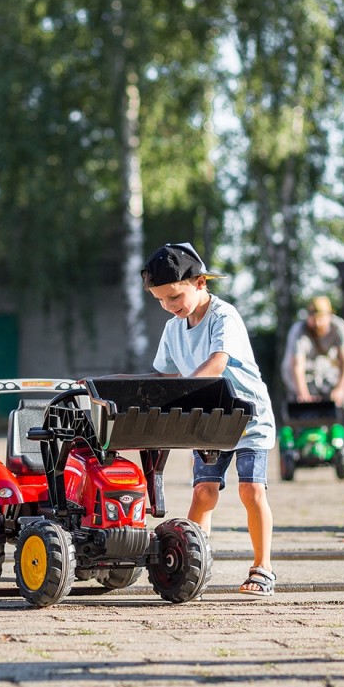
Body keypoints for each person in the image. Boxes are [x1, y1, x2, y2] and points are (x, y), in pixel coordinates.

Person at [141, 242, 276, 597]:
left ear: (200, 282)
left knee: (251, 490)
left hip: (247, 417)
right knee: (203, 493)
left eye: (173, 296)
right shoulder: (174, 329)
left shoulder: (223, 316)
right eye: (160, 300)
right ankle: (191, 567)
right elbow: (163, 377)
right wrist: (126, 390)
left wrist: (183, 396)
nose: (169, 307)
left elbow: (218, 363)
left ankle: (263, 568)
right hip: (208, 421)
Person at [280, 295, 344, 473]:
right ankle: (298, 447)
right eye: (313, 318)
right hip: (299, 376)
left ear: (330, 316)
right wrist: (303, 393)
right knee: (297, 410)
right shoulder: (299, 331)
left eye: (321, 318)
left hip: (326, 374)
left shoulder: (339, 327)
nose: (317, 323)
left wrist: (340, 389)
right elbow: (297, 366)